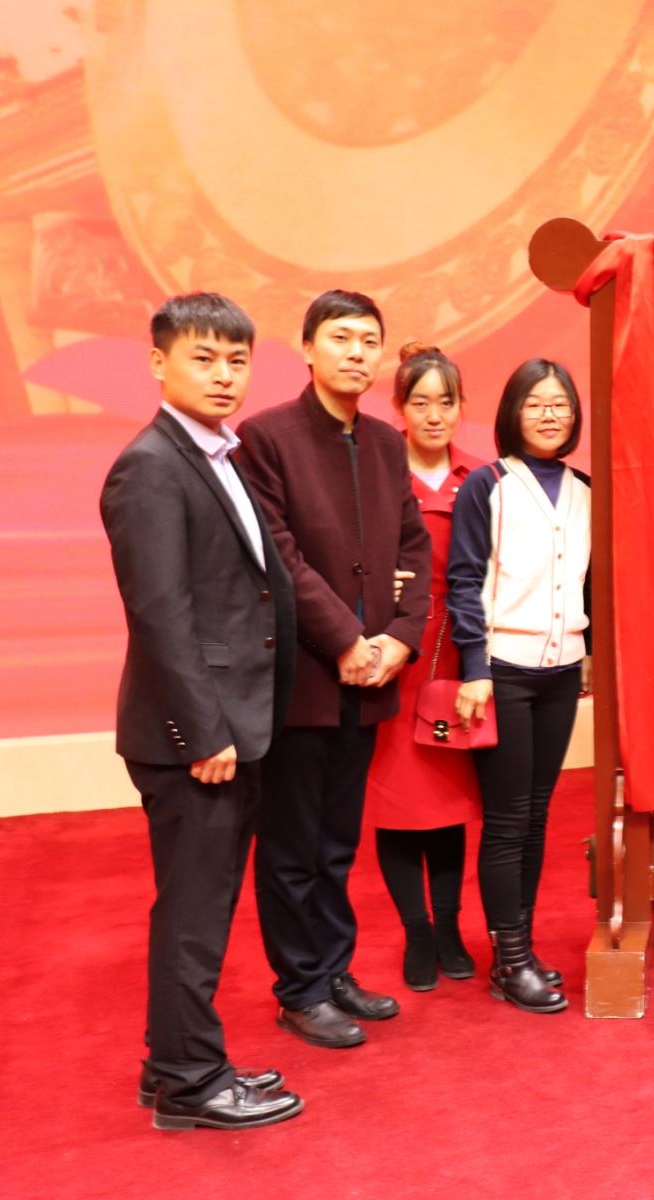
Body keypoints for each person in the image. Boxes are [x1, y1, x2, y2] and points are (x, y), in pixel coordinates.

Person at [101, 292, 303, 1130]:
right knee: (193, 910)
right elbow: (161, 613)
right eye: (203, 358)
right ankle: (191, 1083)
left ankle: (172, 1061)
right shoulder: (150, 466)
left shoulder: (217, 455)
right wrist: (203, 731)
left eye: (236, 360)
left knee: (202, 905)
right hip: (198, 737)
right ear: (159, 363)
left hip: (232, 726)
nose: (224, 375)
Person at [237, 290, 432, 1048]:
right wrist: (347, 639)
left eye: (369, 340)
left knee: (337, 842)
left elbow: (413, 548)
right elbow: (277, 556)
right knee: (291, 847)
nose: (357, 352)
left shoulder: (383, 443)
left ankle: (333, 969)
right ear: (308, 348)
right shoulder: (266, 437)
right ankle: (299, 989)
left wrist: (401, 641)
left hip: (372, 677)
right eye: (341, 338)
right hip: (303, 682)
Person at [446, 358, 593, 1014]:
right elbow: (463, 580)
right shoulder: (489, 485)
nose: (549, 414)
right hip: (503, 671)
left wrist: (591, 654)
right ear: (512, 412)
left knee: (537, 814)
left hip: (562, 673)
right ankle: (509, 960)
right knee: (507, 821)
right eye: (535, 403)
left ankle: (522, 950)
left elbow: (590, 584)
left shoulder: (586, 489)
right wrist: (474, 668)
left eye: (560, 403)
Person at [364, 344, 486, 991]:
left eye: (446, 402)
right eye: (420, 402)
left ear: (461, 407)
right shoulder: (376, 475)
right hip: (394, 655)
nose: (434, 415)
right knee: (396, 803)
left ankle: (449, 928)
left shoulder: (481, 477)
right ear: (399, 409)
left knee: (446, 801)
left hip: (460, 654)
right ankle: (416, 930)